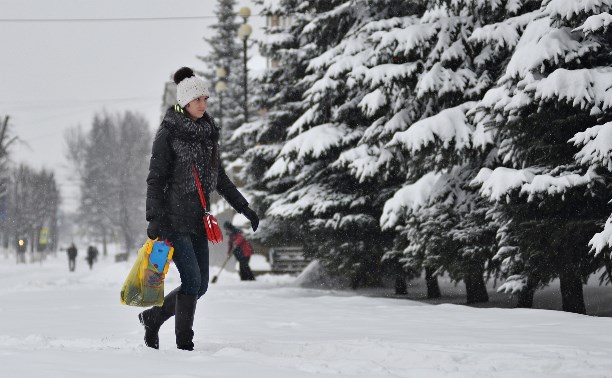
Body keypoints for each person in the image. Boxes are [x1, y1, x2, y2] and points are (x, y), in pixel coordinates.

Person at [138, 67, 259, 351]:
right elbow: (155, 179)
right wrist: (154, 217)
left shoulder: (207, 136)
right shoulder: (168, 134)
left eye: (205, 98)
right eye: (198, 99)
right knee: (191, 279)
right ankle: (184, 345)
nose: (203, 104)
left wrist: (245, 208)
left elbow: (221, 179)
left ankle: (152, 317)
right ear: (184, 102)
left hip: (197, 222)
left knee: (201, 285)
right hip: (172, 221)